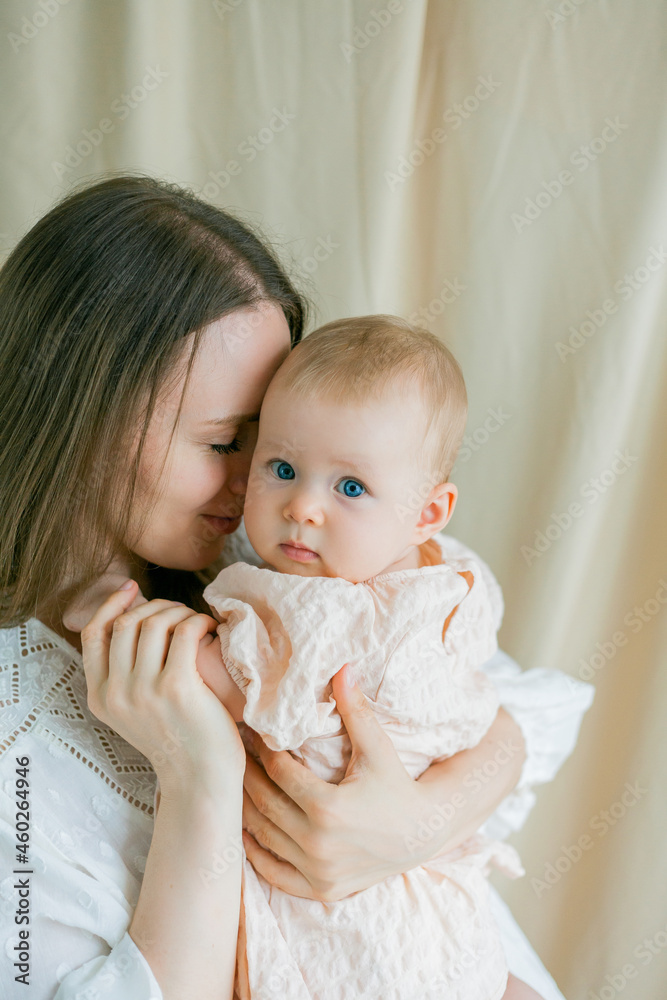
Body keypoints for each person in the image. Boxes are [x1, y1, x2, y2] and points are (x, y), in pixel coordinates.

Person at [0, 175, 594, 999]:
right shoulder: (18, 746)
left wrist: (411, 827)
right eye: (227, 442)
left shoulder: (260, 553)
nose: (269, 489)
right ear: (83, 410)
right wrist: (201, 774)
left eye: (269, 442)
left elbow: (495, 709)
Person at [170, 314, 540, 998]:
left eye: (348, 488)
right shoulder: (446, 574)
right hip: (418, 887)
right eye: (280, 469)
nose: (302, 507)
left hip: (350, 907)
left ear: (428, 513)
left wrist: (172, 644)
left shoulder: (337, 609)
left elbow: (257, 693)